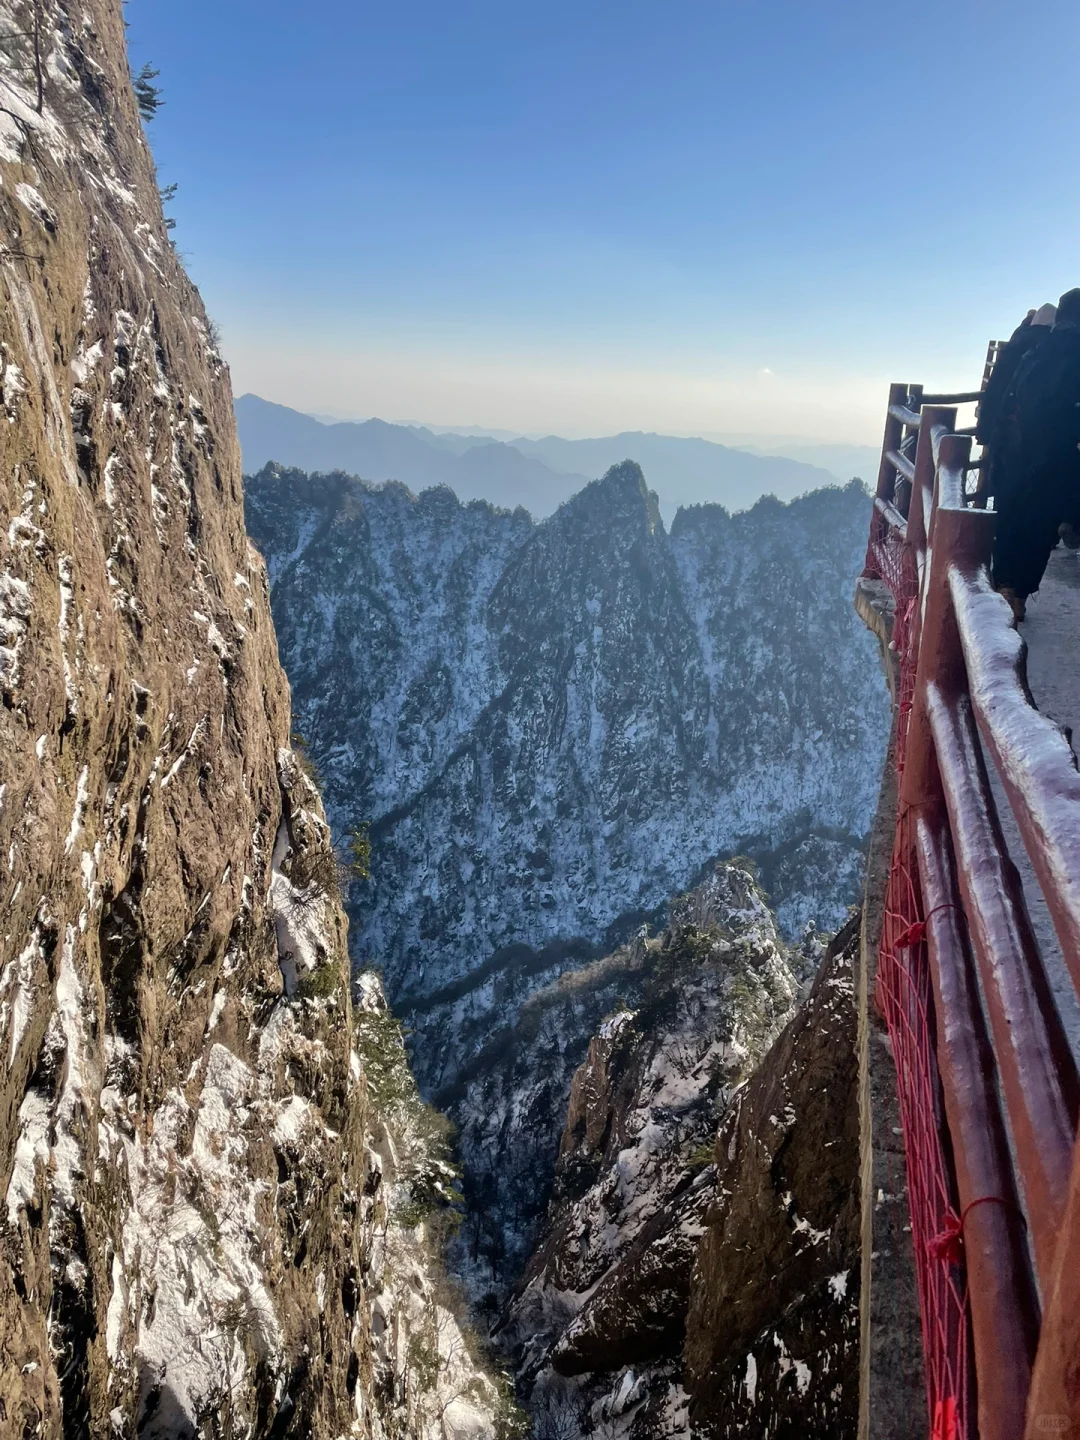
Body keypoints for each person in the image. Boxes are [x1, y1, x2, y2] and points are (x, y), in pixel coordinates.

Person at [992, 289, 1080, 620]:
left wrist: (996, 447)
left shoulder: (1036, 349)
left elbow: (1006, 399)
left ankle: (1003, 588)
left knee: (1011, 518)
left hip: (1017, 454)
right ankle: (1016, 595)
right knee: (1041, 529)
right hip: (1058, 460)